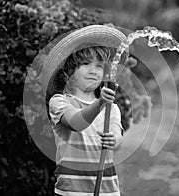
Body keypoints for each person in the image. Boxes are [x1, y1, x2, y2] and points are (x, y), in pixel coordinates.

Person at [46, 25, 127, 196]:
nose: (93, 71)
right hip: (71, 190)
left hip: (107, 190)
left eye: (99, 66)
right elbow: (76, 123)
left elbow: (117, 137)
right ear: (68, 71)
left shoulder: (111, 108)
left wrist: (114, 140)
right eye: (85, 64)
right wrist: (99, 104)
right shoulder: (60, 101)